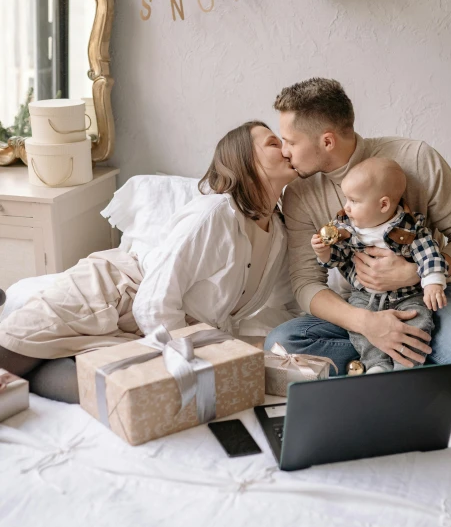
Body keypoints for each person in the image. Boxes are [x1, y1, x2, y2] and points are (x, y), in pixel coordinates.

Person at [265, 77, 451, 483]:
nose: (284, 151)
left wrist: (418, 271)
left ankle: (407, 351)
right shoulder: (300, 194)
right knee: (280, 343)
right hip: (360, 307)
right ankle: (395, 356)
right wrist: (369, 325)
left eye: (289, 140)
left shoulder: (415, 158)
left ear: (327, 140)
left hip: (427, 298)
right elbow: (305, 283)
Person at [0, 121, 299, 400]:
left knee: (121, 392)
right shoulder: (215, 214)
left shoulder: (277, 234)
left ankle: (48, 354)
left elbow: (282, 303)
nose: (286, 149)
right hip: (105, 292)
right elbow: (154, 302)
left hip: (140, 331)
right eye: (274, 143)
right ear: (246, 162)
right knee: (8, 357)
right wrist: (187, 359)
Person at [311, 157, 448, 374]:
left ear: (383, 204)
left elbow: (429, 252)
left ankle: (407, 367)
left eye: (354, 201)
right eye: (346, 199)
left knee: (418, 322)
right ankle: (377, 365)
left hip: (407, 296)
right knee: (359, 331)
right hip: (365, 296)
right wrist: (324, 251)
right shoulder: (347, 228)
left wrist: (432, 282)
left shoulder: (409, 228)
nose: (346, 207)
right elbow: (339, 257)